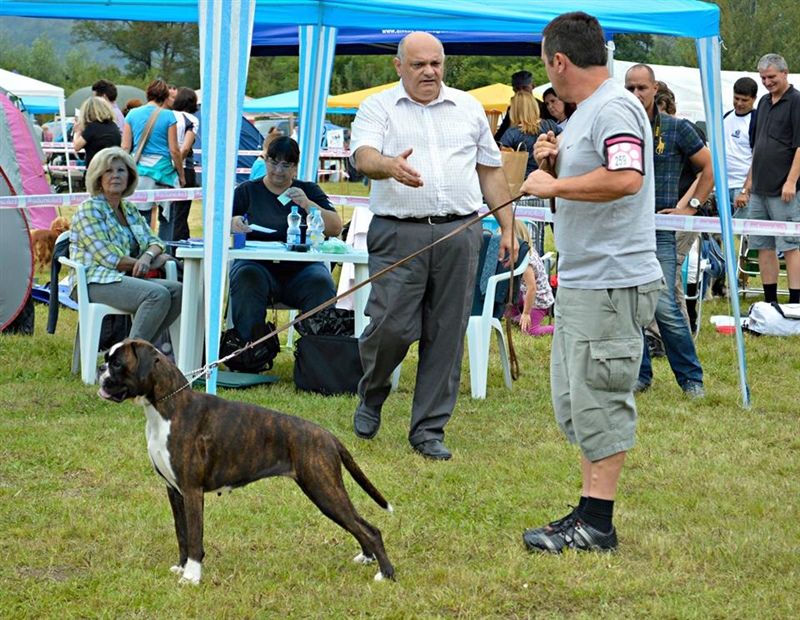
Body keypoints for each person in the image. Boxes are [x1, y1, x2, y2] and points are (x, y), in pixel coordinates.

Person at [519, 11, 663, 553]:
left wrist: (554, 182)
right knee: (576, 400)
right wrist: (553, 168)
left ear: (559, 60)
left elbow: (626, 178)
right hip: (586, 279)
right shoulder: (587, 114)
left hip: (611, 281)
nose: (546, 75)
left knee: (599, 397)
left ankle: (598, 525)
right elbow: (594, 178)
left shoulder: (615, 106)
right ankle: (587, 510)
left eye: (545, 65)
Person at [349, 31, 516, 461]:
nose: (429, 72)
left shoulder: (469, 107)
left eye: (436, 63)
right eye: (419, 64)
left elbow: (491, 172)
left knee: (447, 332)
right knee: (390, 326)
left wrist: (509, 227)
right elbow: (362, 156)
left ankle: (428, 430)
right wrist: (388, 165)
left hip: (461, 232)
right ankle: (373, 391)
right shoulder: (378, 107)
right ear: (399, 66)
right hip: (397, 232)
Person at [624, 63, 712, 398]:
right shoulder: (618, 127)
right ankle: (641, 375)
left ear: (655, 88)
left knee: (662, 304)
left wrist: (689, 206)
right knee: (630, 305)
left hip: (659, 229)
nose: (636, 94)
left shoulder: (677, 128)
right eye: (630, 88)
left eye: (641, 88)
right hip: (623, 229)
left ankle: (691, 378)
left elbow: (708, 167)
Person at [228, 137, 342, 341]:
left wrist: (308, 205)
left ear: (295, 167)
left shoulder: (308, 190)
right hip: (256, 266)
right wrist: (234, 222)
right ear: (265, 161)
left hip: (302, 269)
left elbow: (335, 227)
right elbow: (223, 222)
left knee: (321, 283)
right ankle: (249, 353)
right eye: (273, 162)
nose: (278, 170)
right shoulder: (247, 191)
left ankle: (318, 355)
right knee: (246, 278)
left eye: (286, 165)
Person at [68, 146, 182, 345]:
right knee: (157, 295)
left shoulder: (128, 209)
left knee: (177, 291)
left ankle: (139, 353)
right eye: (108, 171)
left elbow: (155, 242)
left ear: (129, 176)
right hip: (93, 280)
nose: (115, 176)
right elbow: (109, 259)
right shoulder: (88, 209)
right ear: (98, 177)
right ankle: (127, 360)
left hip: (123, 277)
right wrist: (151, 263)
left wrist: (147, 257)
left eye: (121, 170)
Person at [735, 54, 800, 304]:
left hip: (784, 190)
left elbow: (799, 145)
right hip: (759, 189)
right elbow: (757, 148)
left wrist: (791, 181)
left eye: (771, 77)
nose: (767, 82)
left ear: (785, 73)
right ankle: (770, 300)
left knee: (791, 245)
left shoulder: (796, 101)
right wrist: (748, 185)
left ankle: (795, 303)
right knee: (763, 245)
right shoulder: (761, 102)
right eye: (763, 78)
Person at [121, 78, 185, 244]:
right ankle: (164, 255)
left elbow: (125, 147)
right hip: (163, 173)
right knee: (167, 218)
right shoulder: (168, 116)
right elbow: (174, 150)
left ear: (147, 94)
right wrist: (181, 174)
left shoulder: (132, 114)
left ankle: (140, 253)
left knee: (140, 218)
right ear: (165, 97)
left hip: (139, 171)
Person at [505, 221, 554, 336]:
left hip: (538, 299)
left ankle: (559, 329)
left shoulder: (527, 262)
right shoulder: (523, 252)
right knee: (508, 309)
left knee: (529, 330)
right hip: (524, 292)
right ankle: (516, 315)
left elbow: (532, 288)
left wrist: (526, 313)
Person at [499, 91, 562, 176]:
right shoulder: (550, 124)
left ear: (515, 110)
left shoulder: (512, 133)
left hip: (524, 180)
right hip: (549, 176)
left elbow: (500, 159)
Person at [170, 87, 199, 241]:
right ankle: (177, 251)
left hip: (164, 169)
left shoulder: (167, 115)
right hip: (184, 167)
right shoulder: (192, 120)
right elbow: (186, 147)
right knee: (181, 215)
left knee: (167, 215)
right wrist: (178, 165)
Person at [725, 77, 758, 213]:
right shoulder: (726, 116)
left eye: (744, 100)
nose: (739, 103)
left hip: (741, 187)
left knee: (739, 234)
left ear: (754, 98)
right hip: (721, 188)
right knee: (719, 233)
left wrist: (746, 190)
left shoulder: (756, 120)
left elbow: (758, 157)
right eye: (736, 98)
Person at [72, 96, 122, 173]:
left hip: (95, 169)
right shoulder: (113, 126)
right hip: (112, 167)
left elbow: (76, 146)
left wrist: (77, 131)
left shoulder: (92, 127)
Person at [494, 70, 544, 142]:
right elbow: (501, 133)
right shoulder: (512, 109)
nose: (521, 92)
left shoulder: (543, 107)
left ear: (533, 86)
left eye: (525, 88)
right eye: (517, 89)